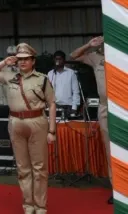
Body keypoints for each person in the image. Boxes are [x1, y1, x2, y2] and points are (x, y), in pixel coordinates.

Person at [0, 43, 57, 214]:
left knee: (39, 168)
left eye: (26, 59)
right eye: (19, 59)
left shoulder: (42, 79)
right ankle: (28, 205)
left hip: (37, 121)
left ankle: (40, 206)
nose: (22, 62)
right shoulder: (10, 76)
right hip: (16, 122)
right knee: (23, 167)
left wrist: (52, 131)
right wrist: (5, 62)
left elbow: (52, 104)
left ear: (33, 61)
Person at [70, 36, 113, 204]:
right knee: (110, 149)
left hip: (123, 107)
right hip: (105, 108)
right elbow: (74, 55)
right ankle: (117, 190)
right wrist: (89, 44)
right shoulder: (96, 57)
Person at [47, 50, 80, 115]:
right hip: (54, 106)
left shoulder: (71, 73)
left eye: (60, 59)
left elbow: (76, 91)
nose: (58, 61)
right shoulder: (50, 73)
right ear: (54, 60)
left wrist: (74, 107)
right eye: (56, 59)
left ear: (64, 60)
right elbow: (47, 91)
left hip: (68, 106)